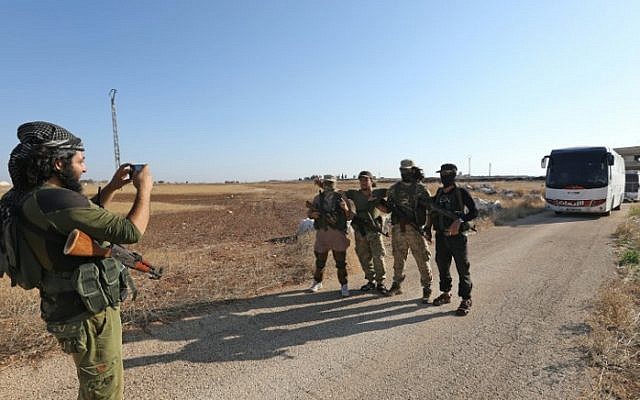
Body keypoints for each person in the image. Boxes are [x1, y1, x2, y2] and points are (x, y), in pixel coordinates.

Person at [0, 121, 152, 399]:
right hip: (87, 313)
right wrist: (145, 189)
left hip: (68, 306)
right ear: (59, 164)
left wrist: (113, 187)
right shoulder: (56, 200)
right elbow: (131, 232)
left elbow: (84, 213)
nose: (85, 168)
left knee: (95, 387)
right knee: (103, 391)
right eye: (80, 160)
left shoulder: (31, 197)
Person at [427, 163, 478, 316]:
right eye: (442, 173)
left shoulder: (461, 193)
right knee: (442, 266)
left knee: (462, 267)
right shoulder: (439, 193)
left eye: (447, 174)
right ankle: (446, 293)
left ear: (454, 175)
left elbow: (474, 212)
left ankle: (466, 298)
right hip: (441, 236)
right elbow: (432, 211)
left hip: (457, 238)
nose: (444, 176)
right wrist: (428, 228)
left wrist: (460, 220)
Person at [383, 159, 433, 303]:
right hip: (398, 228)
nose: (404, 172)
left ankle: (427, 287)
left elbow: (430, 210)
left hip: (415, 229)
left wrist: (427, 228)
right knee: (398, 258)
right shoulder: (393, 189)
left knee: (422, 258)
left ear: (413, 170)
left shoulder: (421, 189)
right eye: (402, 169)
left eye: (407, 170)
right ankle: (397, 284)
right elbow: (388, 208)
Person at [306, 175, 355, 297]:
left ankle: (344, 285)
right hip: (322, 234)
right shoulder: (318, 198)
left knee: (340, 263)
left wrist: (345, 208)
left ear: (335, 184)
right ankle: (317, 282)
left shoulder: (342, 197)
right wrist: (313, 215)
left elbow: (350, 216)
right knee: (320, 261)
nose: (329, 185)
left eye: (331, 183)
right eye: (327, 183)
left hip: (338, 234)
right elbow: (309, 213)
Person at [344, 171, 389, 295]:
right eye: (361, 180)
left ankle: (381, 283)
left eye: (366, 180)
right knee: (364, 257)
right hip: (360, 231)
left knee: (378, 257)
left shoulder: (378, 192)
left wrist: (378, 201)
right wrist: (347, 208)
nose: (363, 182)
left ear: (371, 180)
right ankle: (371, 281)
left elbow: (393, 192)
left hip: (374, 230)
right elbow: (340, 193)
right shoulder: (355, 194)